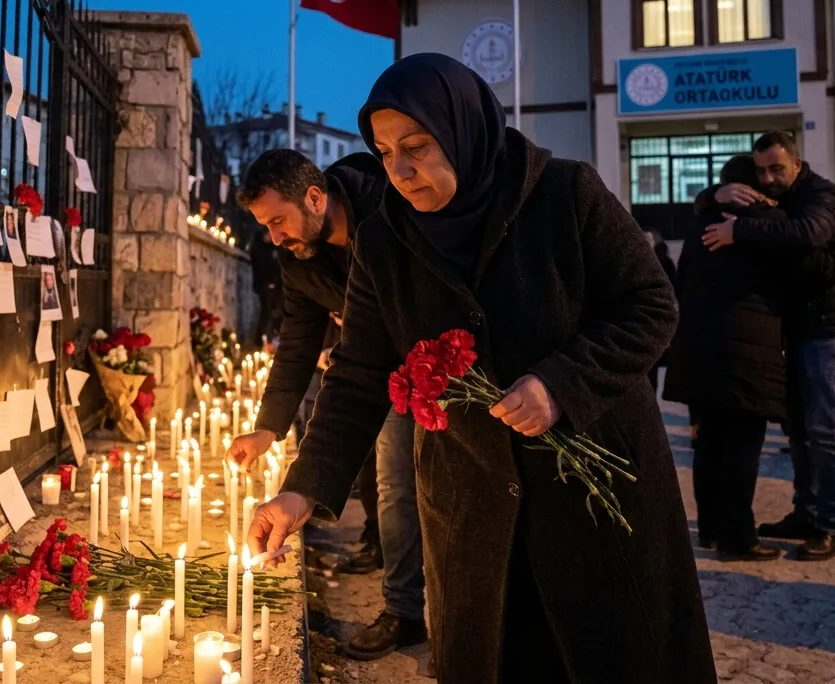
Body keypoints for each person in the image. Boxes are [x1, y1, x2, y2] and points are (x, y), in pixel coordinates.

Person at [250, 53, 716, 683]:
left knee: (615, 653)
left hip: (594, 491)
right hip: (472, 502)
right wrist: (304, 488)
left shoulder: (566, 195)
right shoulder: (386, 241)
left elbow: (652, 305)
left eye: (416, 145)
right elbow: (359, 372)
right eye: (385, 153)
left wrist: (561, 382)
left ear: (464, 127)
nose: (402, 170)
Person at [230, 149, 427, 660]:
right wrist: (267, 428)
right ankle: (405, 612)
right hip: (380, 380)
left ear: (315, 198)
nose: (274, 236)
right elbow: (297, 342)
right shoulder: (298, 261)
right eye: (265, 225)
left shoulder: (390, 210)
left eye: (279, 220)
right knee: (394, 484)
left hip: (439, 364)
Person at [702, 132, 835, 560]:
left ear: (797, 162)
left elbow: (806, 237)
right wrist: (715, 193)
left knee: (826, 431)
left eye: (777, 168)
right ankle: (805, 513)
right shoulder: (771, 201)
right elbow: (781, 244)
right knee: (799, 433)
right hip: (792, 329)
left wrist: (741, 231)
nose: (769, 177)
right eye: (762, 170)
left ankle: (831, 525)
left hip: (827, 328)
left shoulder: (822, 195)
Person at [664, 155, 789, 561]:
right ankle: (739, 538)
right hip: (746, 354)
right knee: (741, 449)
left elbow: (682, 282)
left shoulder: (701, 223)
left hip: (701, 351)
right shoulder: (764, 226)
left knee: (709, 446)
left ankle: (712, 530)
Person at [644, 227, 676, 395]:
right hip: (645, 326)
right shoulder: (634, 262)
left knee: (652, 373)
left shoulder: (664, 264)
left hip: (655, 326)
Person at [249, 229, 283, 345]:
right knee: (267, 314)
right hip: (264, 286)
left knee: (274, 313)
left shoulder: (273, 248)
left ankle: (269, 340)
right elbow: (259, 267)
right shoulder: (259, 247)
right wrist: (267, 282)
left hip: (275, 285)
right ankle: (261, 342)